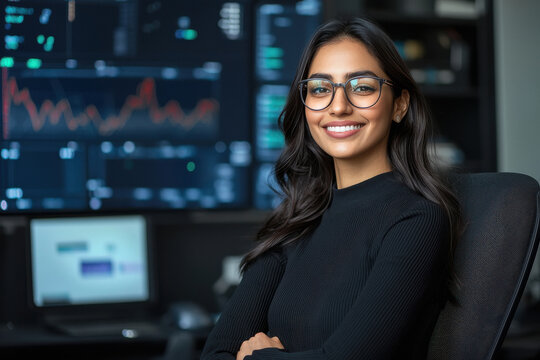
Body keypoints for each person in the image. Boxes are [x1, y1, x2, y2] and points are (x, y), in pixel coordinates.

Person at [200, 17, 462, 360]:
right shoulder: (297, 220)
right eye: (321, 89)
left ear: (399, 105)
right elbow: (216, 352)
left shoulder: (417, 221)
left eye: (362, 87)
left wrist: (258, 357)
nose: (338, 107)